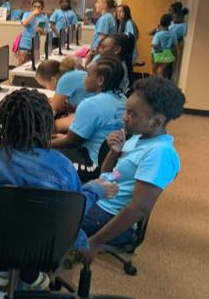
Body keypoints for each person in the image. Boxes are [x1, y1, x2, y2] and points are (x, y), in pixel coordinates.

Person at [0, 89, 117, 299]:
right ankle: (21, 274)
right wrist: (94, 190)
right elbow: (72, 214)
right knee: (30, 225)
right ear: (47, 126)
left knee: (4, 225)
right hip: (43, 248)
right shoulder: (62, 166)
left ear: (2, 122)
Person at [79, 78, 184, 262]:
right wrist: (114, 152)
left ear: (156, 121)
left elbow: (139, 209)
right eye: (126, 111)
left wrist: (93, 243)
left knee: (51, 219)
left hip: (108, 215)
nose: (124, 117)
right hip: (101, 200)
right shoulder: (140, 137)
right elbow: (109, 175)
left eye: (132, 114)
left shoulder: (159, 154)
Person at [51, 55, 126, 179]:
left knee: (42, 155)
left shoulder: (91, 104)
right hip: (113, 162)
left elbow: (71, 142)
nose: (84, 78)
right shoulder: (123, 99)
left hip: (93, 164)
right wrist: (64, 137)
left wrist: (43, 144)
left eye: (88, 75)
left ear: (100, 80)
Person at [35, 57, 93, 132]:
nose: (46, 88)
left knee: (47, 126)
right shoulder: (72, 73)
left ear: (54, 80)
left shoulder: (65, 79)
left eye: (45, 85)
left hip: (90, 116)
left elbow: (54, 109)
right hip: (91, 113)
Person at [16, 0, 49, 65]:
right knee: (22, 61)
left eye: (38, 7)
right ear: (32, 7)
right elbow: (24, 23)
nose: (36, 8)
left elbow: (46, 32)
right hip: (25, 40)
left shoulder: (44, 18)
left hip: (36, 41)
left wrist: (41, 30)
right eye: (34, 6)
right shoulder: (27, 14)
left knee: (32, 62)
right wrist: (33, 14)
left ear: (42, 8)